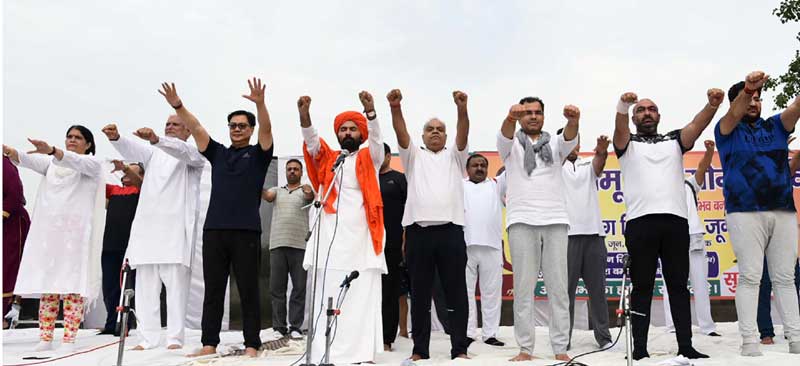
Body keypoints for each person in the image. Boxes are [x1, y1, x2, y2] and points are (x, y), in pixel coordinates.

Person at [157, 78, 274, 358]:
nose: (237, 129)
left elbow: (267, 130)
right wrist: (178, 105)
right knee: (213, 290)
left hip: (246, 231)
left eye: (242, 126)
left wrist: (260, 104)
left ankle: (251, 345)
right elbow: (196, 128)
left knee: (248, 290)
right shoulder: (218, 153)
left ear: (250, 129)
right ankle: (209, 343)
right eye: (233, 125)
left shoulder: (259, 155)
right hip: (214, 232)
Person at [614, 87, 723, 360]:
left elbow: (696, 127)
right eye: (641, 110)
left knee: (677, 285)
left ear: (659, 115)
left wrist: (711, 105)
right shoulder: (627, 145)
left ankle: (685, 346)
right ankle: (639, 349)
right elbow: (618, 131)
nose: (646, 113)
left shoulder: (674, 140)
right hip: (640, 223)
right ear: (634, 117)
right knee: (642, 287)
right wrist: (622, 107)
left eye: (651, 109)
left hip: (675, 222)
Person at [102, 114, 206, 350]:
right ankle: (148, 338)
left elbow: (179, 151)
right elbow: (134, 150)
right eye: (167, 124)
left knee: (176, 289)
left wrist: (157, 139)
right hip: (148, 230)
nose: (170, 127)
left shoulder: (194, 154)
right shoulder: (153, 153)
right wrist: (116, 138)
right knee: (146, 288)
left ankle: (174, 338)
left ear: (188, 131)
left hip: (175, 230)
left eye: (176, 124)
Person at [715, 70, 800, 355]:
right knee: (751, 276)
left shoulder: (775, 126)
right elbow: (734, 113)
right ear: (736, 102)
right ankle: (750, 341)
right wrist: (748, 88)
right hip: (744, 211)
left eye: (758, 99)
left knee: (785, 278)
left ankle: (796, 338)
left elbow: (796, 108)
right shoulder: (726, 130)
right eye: (748, 98)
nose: (754, 102)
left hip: (783, 211)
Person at [299, 91, 386, 364]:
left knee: (361, 294)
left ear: (360, 133)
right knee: (328, 291)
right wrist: (305, 116)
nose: (348, 133)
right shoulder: (330, 160)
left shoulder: (369, 158)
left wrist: (371, 114)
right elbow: (312, 143)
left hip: (362, 237)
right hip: (329, 241)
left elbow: (376, 142)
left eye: (352, 129)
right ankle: (326, 349)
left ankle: (362, 353)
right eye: (343, 129)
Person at [4, 125, 105, 352]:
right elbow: (28, 161)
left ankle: (69, 339)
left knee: (72, 287)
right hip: (50, 236)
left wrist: (52, 150)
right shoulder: (52, 165)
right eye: (69, 136)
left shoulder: (93, 164)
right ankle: (46, 337)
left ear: (88, 144)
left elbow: (72, 161)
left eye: (78, 138)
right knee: (49, 285)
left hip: (76, 238)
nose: (72, 140)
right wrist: (11, 151)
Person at [390, 89, 471, 361]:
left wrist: (462, 109)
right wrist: (395, 107)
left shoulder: (455, 156)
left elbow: (463, 134)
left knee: (456, 292)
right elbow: (401, 134)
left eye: (440, 129)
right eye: (429, 129)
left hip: (450, 232)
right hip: (418, 234)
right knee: (421, 296)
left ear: (446, 136)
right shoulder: (413, 156)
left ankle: (459, 349)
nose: (435, 132)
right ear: (423, 135)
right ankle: (419, 351)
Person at [498, 96, 579, 362]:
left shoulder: (555, 143)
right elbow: (505, 134)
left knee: (558, 287)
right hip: (521, 220)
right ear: (520, 117)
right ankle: (525, 348)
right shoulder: (510, 145)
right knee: (523, 288)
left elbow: (569, 138)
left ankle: (560, 348)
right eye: (528, 112)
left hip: (555, 219)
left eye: (538, 112)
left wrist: (573, 120)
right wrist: (510, 117)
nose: (533, 116)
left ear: (544, 116)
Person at [661, 140, 720, 337]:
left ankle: (707, 326)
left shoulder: (689, 183)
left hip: (693, 236)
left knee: (701, 283)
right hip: (669, 238)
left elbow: (703, 168)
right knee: (671, 284)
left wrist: (710, 152)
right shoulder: (659, 186)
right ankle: (672, 326)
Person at [561, 135, 612, 350]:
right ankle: (564, 339)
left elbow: (599, 165)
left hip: (593, 235)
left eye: (576, 142)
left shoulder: (587, 164)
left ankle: (604, 337)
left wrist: (601, 150)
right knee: (565, 294)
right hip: (565, 237)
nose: (573, 146)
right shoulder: (554, 166)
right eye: (568, 141)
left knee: (598, 291)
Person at [262, 159, 313, 340]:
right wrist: (254, 181)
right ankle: (279, 327)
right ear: (285, 172)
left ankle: (296, 327)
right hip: (277, 245)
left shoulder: (305, 190)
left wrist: (308, 189)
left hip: (300, 246)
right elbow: (267, 196)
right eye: (289, 169)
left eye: (296, 169)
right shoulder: (277, 191)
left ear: (300, 172)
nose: (292, 171)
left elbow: (310, 197)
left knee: (299, 288)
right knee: (277, 288)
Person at [462, 153, 506, 347]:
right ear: (467, 169)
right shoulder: (459, 185)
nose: (479, 168)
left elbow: (512, 168)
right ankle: (469, 332)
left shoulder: (496, 185)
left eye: (482, 165)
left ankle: (490, 334)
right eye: (474, 165)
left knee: (492, 292)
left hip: (492, 246)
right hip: (465, 246)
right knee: (466, 292)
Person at [98, 160, 144, 336]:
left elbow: (143, 185)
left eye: (132, 172)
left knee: (127, 286)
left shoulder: (142, 190)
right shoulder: (114, 190)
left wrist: (126, 168)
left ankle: (125, 323)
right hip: (109, 244)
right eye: (125, 172)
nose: (126, 174)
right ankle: (111, 323)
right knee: (109, 286)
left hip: (129, 245)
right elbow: (94, 184)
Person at [379, 143, 408, 351]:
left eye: (381, 154)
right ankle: (367, 336)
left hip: (393, 243)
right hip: (367, 243)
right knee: (369, 291)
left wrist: (406, 240)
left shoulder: (399, 179)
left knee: (390, 292)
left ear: (389, 156)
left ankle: (387, 339)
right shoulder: (365, 178)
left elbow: (410, 210)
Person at [3, 155, 31, 329]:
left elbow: (15, 193)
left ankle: (5, 315)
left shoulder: (3, 163)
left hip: (10, 224)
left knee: (7, 267)